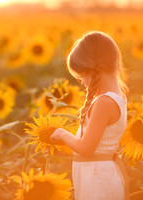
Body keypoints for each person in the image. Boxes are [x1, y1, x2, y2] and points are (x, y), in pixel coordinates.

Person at [50, 31, 129, 200]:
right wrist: (68, 150)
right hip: (99, 175)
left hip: (97, 180)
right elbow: (100, 146)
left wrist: (62, 134)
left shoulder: (104, 102)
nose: (83, 82)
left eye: (82, 76)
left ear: (93, 70)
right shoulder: (116, 96)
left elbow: (87, 148)